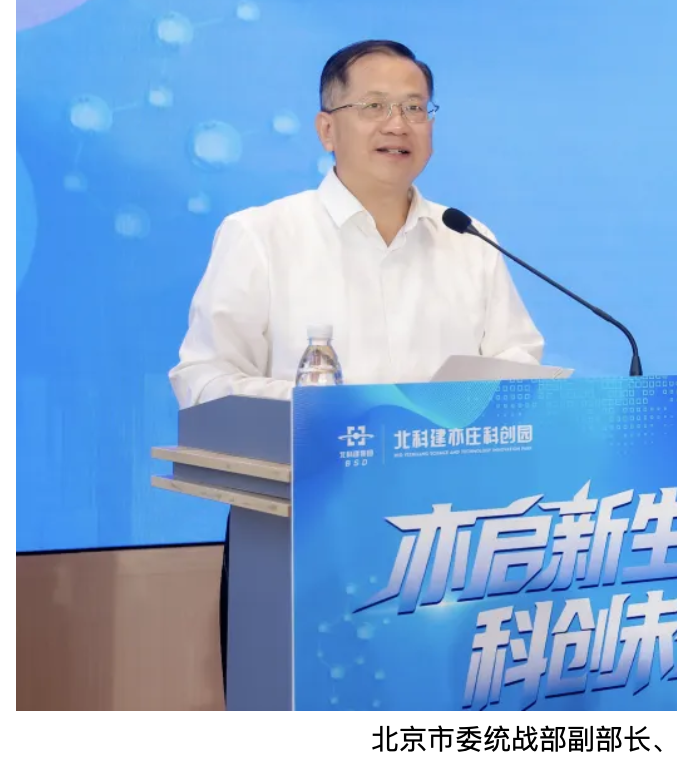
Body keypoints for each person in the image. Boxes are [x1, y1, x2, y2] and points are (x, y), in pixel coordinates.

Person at [168, 39, 544, 695]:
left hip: (447, 540)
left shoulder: (468, 238)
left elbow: (518, 363)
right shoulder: (262, 235)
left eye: (415, 107)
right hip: (302, 535)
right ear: (327, 129)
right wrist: (334, 414)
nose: (398, 124)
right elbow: (204, 381)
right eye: (374, 106)